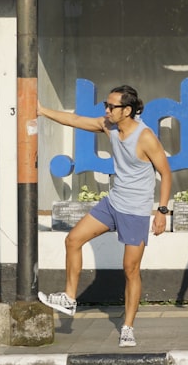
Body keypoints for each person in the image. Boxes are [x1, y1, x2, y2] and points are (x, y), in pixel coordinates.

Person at [36, 85, 172, 348]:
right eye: (105, 106)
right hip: (112, 202)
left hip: (135, 210)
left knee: (130, 270)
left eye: (112, 107)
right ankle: (69, 297)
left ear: (128, 110)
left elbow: (165, 173)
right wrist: (42, 111)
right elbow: (75, 120)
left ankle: (128, 327)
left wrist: (162, 211)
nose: (106, 111)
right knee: (73, 240)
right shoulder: (109, 126)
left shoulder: (145, 138)